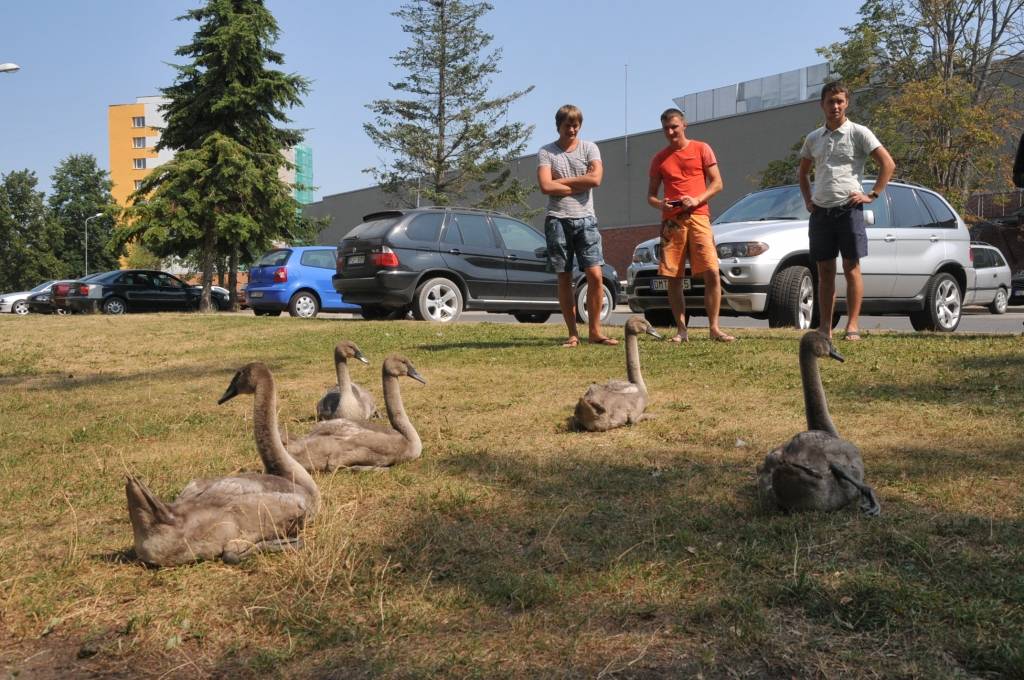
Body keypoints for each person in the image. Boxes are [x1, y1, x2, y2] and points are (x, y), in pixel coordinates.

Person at [798, 81, 895, 341]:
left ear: (847, 103)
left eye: (840, 101)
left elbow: (887, 163)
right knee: (825, 271)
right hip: (821, 213)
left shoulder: (859, 133)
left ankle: (852, 326)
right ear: (822, 105)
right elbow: (803, 172)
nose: (835, 106)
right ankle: (824, 327)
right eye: (830, 101)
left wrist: (872, 194)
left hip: (849, 210)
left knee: (852, 267)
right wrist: (808, 200)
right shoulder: (814, 138)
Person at [647, 108, 733, 342]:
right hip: (672, 222)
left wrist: (696, 199)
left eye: (674, 126)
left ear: (684, 125)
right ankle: (681, 330)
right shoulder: (659, 159)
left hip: (699, 216)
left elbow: (717, 183)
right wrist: (661, 204)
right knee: (673, 277)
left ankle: (714, 328)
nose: (670, 131)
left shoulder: (701, 148)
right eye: (666, 128)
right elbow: (651, 196)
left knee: (712, 272)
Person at [537, 104, 617, 347]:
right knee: (564, 277)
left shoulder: (590, 148)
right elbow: (546, 186)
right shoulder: (546, 152)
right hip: (557, 220)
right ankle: (573, 334)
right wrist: (580, 183)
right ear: (558, 126)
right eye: (567, 125)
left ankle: (595, 331)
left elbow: (596, 179)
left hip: (586, 220)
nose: (572, 129)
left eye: (575, 125)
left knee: (595, 275)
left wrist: (564, 182)